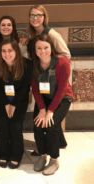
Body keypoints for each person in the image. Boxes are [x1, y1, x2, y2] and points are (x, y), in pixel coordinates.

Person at [25, 5, 70, 150]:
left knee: (51, 121)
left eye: (39, 15)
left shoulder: (52, 35)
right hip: (41, 80)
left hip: (54, 82)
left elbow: (66, 55)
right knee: (42, 120)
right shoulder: (32, 35)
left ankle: (52, 149)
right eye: (32, 15)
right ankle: (60, 142)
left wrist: (50, 63)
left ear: (44, 17)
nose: (35, 18)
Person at [31, 34, 73, 175]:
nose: (43, 51)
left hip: (62, 98)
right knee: (37, 125)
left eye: (46, 47)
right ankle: (42, 156)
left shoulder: (63, 63)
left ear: (51, 48)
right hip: (44, 99)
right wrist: (42, 109)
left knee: (52, 125)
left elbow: (61, 90)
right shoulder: (34, 64)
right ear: (35, 49)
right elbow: (35, 90)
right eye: (39, 48)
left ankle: (54, 160)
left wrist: (50, 111)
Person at [0, 39, 33, 169]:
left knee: (15, 127)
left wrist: (13, 104)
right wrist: (5, 103)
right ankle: (2, 153)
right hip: (1, 100)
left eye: (10, 50)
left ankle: (16, 155)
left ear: (16, 51)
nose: (6, 54)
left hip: (19, 100)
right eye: (3, 51)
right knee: (2, 126)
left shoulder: (27, 64)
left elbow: (25, 86)